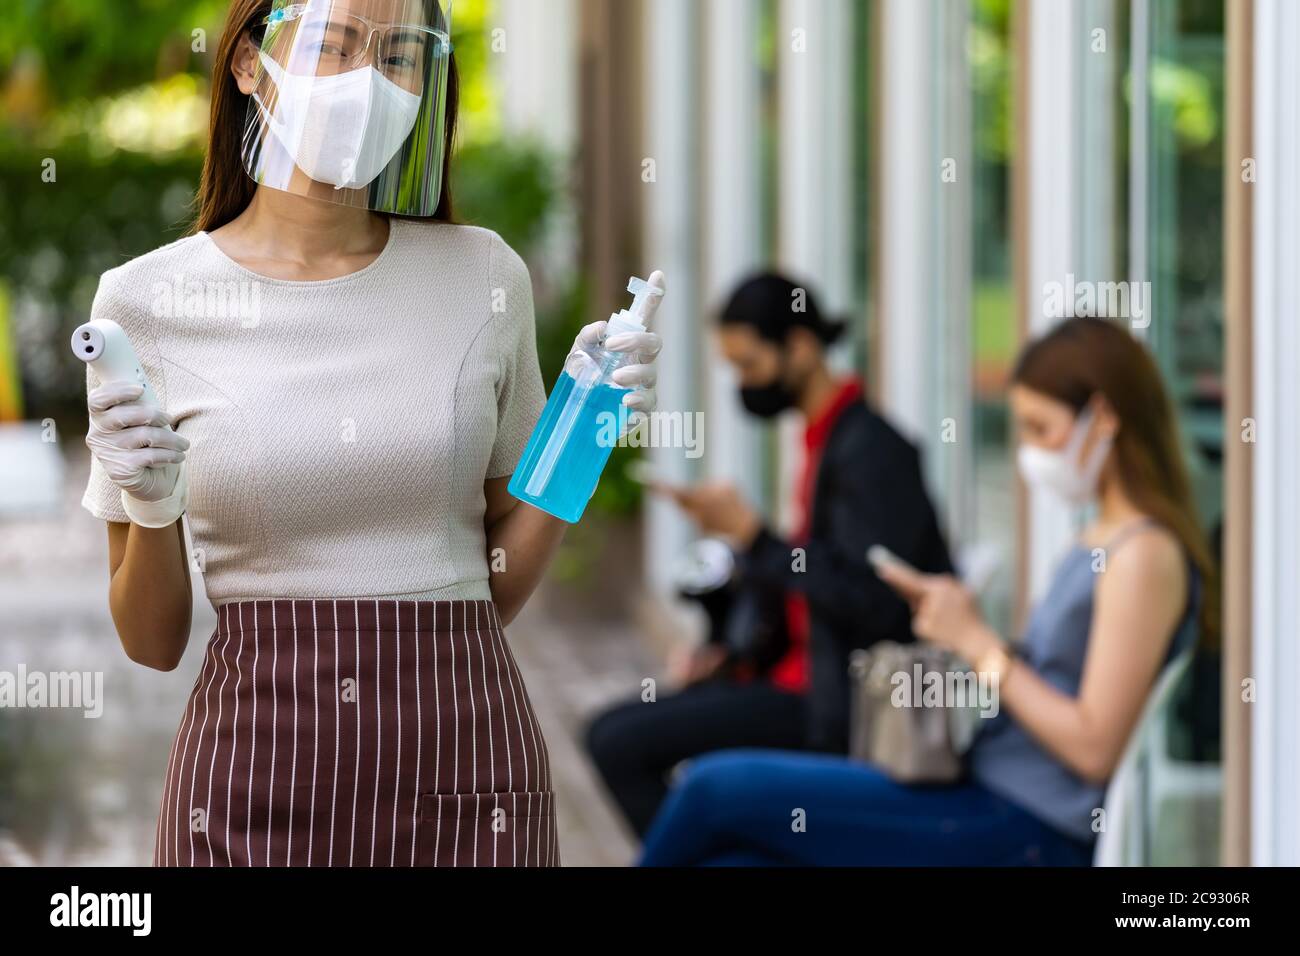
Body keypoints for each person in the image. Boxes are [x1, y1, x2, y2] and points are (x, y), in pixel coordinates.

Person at [79, 0, 662, 868]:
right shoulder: (146, 303)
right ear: (247, 62)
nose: (367, 81)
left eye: (400, 56)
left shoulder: (483, 278)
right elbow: (152, 643)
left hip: (467, 775)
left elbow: (492, 589)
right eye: (334, 44)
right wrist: (151, 503)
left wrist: (587, 424)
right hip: (251, 781)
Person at [639, 317, 1212, 867]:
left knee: (712, 789)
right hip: (984, 793)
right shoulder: (1101, 537)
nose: (1031, 454)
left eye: (1042, 429)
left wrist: (978, 644)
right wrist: (960, 629)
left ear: (1104, 418)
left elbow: (1094, 746)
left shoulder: (1142, 555)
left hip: (1023, 826)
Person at [586, 273, 953, 837]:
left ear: (800, 346)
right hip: (791, 679)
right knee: (611, 733)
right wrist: (730, 653)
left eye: (750, 364)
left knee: (619, 743)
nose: (743, 382)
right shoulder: (822, 439)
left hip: (831, 707)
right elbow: (810, 588)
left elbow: (876, 601)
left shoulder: (872, 451)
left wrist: (754, 536)